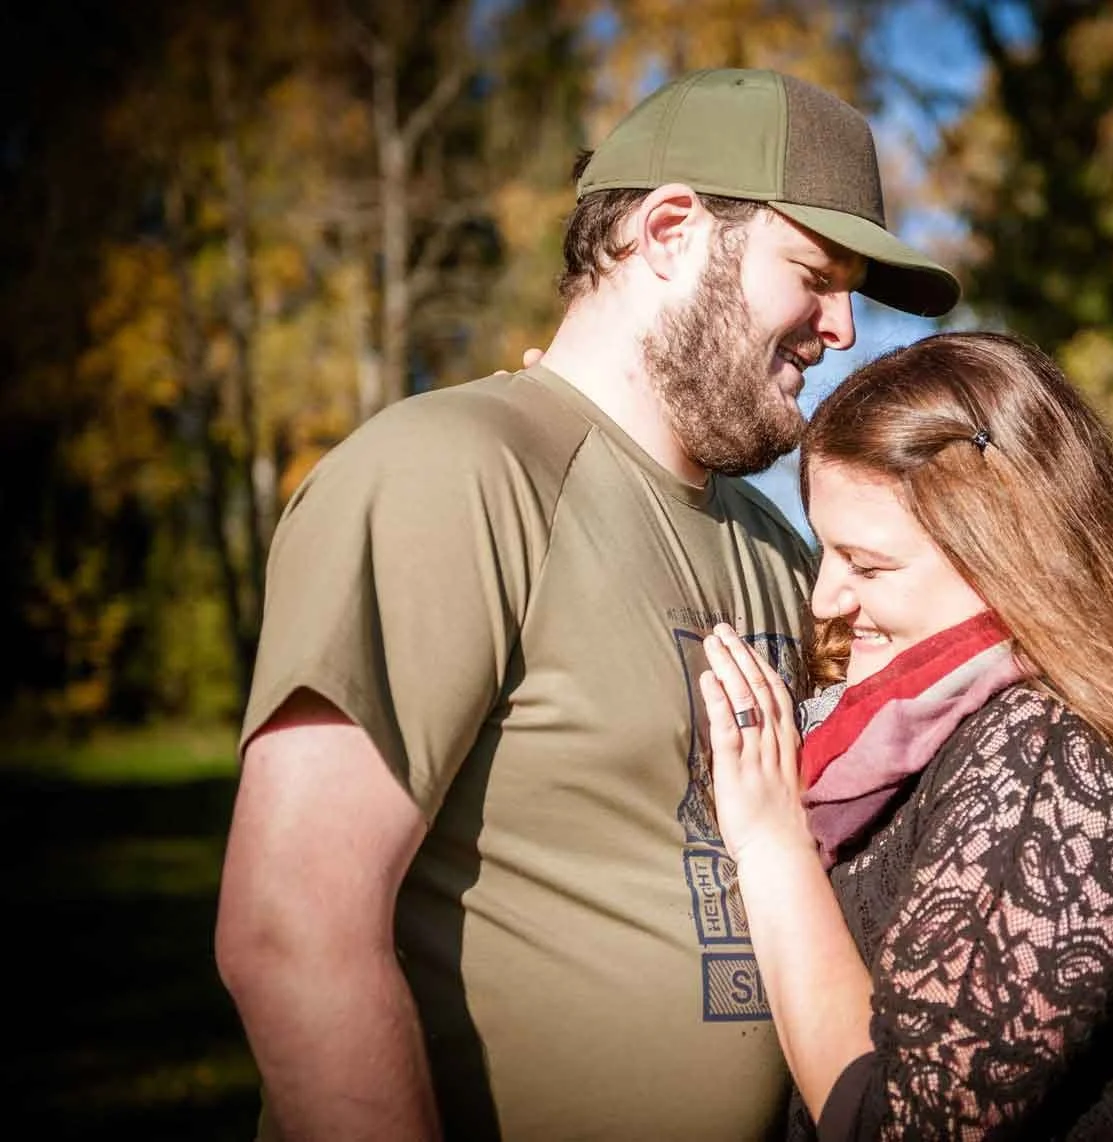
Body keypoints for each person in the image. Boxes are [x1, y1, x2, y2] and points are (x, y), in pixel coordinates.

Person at [213, 68, 959, 1142]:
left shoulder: (779, 545)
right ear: (667, 230)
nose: (843, 329)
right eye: (816, 274)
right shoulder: (448, 473)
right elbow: (292, 930)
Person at [699, 331, 1113, 1140]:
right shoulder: (965, 713)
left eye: (867, 566)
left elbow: (906, 1129)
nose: (825, 599)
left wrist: (773, 842)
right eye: (825, 552)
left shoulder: (1061, 759)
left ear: (1008, 556)